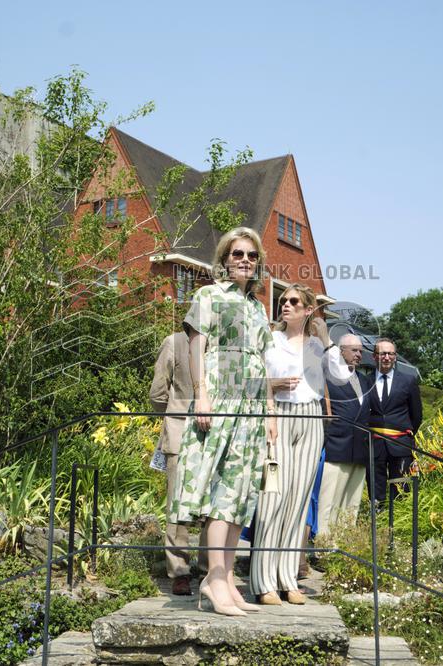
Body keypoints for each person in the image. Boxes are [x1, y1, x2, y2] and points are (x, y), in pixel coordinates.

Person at [170, 227, 277, 617]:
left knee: (240, 493)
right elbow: (196, 348)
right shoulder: (208, 296)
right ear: (225, 259)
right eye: (238, 254)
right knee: (220, 492)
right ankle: (213, 579)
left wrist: (269, 410)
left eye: (251, 255)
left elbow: (262, 361)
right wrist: (201, 394)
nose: (245, 260)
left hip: (251, 406)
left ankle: (227, 578)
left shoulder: (257, 307)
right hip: (220, 396)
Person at [250, 284, 351, 605]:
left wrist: (326, 338)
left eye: (294, 301)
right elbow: (252, 381)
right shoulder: (270, 338)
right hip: (279, 415)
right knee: (273, 497)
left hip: (310, 418)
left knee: (298, 500)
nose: (286, 305)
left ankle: (288, 578)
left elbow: (341, 377)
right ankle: (263, 581)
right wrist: (270, 399)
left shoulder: (318, 346)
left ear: (308, 310)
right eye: (283, 301)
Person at [149, 331, 199, 595]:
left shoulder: (221, 344)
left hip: (218, 431)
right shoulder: (174, 342)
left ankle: (211, 568)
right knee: (177, 504)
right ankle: (180, 571)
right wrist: (174, 416)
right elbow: (158, 393)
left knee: (214, 506)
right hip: (180, 432)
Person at [317, 333, 375, 534]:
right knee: (328, 502)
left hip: (359, 451)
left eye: (360, 351)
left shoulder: (364, 380)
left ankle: (344, 544)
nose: (359, 355)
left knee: (352, 506)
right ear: (341, 352)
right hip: (336, 447)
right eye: (354, 350)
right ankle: (323, 544)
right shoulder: (328, 376)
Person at [369, 338, 423, 503]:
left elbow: (416, 415)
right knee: (375, 493)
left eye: (391, 354)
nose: (387, 357)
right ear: (374, 356)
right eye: (382, 353)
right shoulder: (365, 381)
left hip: (401, 445)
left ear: (395, 356)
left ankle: (397, 518)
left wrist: (403, 434)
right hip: (374, 445)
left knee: (401, 493)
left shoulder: (408, 381)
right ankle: (377, 516)